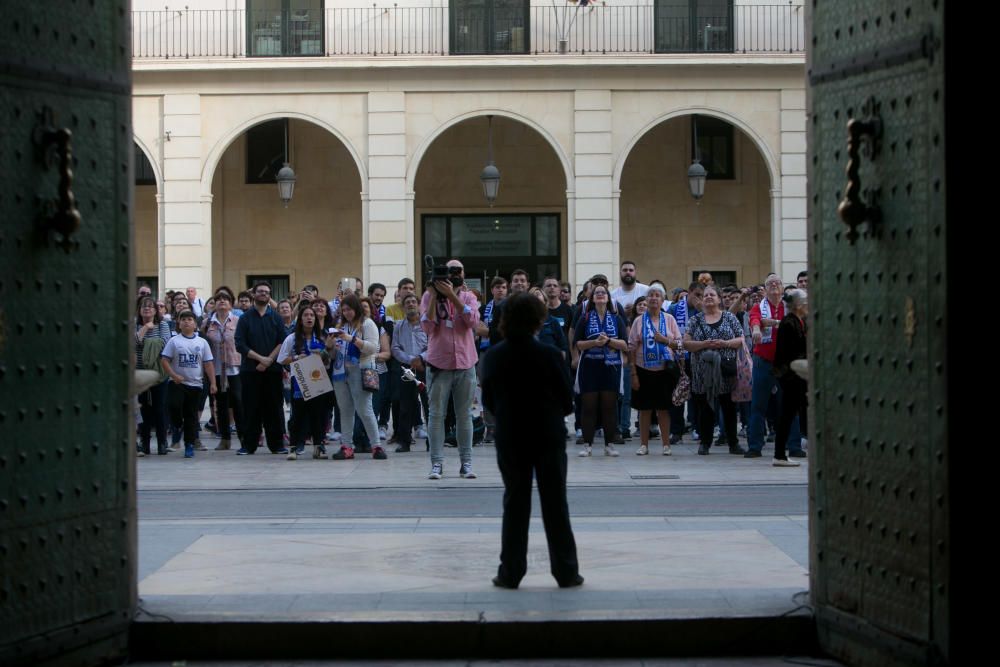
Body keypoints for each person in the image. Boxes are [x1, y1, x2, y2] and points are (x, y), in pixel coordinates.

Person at [481, 292, 583, 590]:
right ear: (540, 320)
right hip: (548, 434)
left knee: (515, 502)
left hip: (511, 435)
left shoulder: (495, 357)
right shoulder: (550, 355)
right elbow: (567, 401)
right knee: (555, 503)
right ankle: (566, 571)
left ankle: (510, 572)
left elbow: (488, 400)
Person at [420, 258, 481, 480]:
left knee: (464, 415)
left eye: (458, 271)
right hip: (439, 364)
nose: (454, 275)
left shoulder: (468, 297)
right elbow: (426, 327)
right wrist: (436, 295)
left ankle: (466, 463)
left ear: (464, 274)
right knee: (436, 415)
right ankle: (436, 463)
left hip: (465, 363)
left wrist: (453, 297)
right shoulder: (429, 296)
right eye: (450, 271)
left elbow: (473, 321)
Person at [682, 285, 747, 456]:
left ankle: (733, 443)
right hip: (702, 374)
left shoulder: (729, 318)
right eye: (706, 295)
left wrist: (725, 343)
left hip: (726, 371)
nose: (709, 297)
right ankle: (705, 442)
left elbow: (741, 339)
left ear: (719, 299)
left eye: (712, 295)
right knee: (705, 409)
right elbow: (686, 343)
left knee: (729, 408)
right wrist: (704, 344)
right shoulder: (695, 320)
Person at [746, 274, 804, 458]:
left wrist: (776, 323)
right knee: (758, 405)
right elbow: (754, 321)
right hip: (763, 361)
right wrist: (757, 329)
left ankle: (794, 445)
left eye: (777, 283)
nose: (774, 285)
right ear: (765, 289)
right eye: (770, 283)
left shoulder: (791, 308)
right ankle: (755, 446)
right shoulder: (759, 307)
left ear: (782, 287)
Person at [328, 293, 386, 460]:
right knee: (345, 410)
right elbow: (333, 354)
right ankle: (346, 446)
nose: (346, 313)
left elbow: (372, 348)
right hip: (341, 372)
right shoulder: (340, 326)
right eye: (343, 309)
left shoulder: (368, 324)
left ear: (357, 309)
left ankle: (376, 446)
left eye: (349, 309)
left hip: (361, 369)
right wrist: (330, 346)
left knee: (364, 409)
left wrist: (352, 339)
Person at [573, 285, 629, 457]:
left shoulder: (617, 318)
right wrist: (595, 343)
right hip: (589, 367)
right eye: (597, 293)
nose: (600, 295)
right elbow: (578, 344)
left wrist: (609, 341)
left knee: (609, 407)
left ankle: (609, 445)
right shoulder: (585, 317)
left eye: (603, 292)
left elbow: (625, 345)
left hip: (610, 367)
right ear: (592, 298)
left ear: (608, 298)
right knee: (588, 407)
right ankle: (588, 445)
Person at [234, 281, 288, 455]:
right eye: (260, 291)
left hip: (272, 371)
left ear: (270, 295)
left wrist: (269, 360)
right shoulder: (245, 318)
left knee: (274, 408)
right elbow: (240, 344)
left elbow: (282, 341)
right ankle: (248, 445)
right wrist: (260, 359)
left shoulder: (276, 318)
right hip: (250, 370)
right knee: (251, 409)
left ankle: (277, 445)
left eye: (266, 291)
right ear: (254, 295)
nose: (263, 294)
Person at [628, 284, 681, 456]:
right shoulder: (639, 321)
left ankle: (666, 445)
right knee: (644, 409)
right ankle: (644, 445)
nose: (653, 298)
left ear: (662, 300)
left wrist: (665, 340)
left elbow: (679, 344)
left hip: (665, 370)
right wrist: (633, 374)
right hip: (643, 370)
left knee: (663, 408)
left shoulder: (669, 319)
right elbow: (631, 348)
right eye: (650, 295)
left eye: (657, 295)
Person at [277, 303, 332, 461]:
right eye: (306, 315)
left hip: (318, 379)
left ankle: (319, 447)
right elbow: (281, 359)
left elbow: (329, 361)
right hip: (299, 380)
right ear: (300, 319)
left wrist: (323, 352)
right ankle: (293, 447)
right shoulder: (292, 338)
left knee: (319, 415)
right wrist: (296, 358)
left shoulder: (323, 337)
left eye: (312, 315)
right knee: (298, 416)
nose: (309, 318)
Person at [160, 310, 216, 459]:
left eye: (189, 319)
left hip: (196, 384)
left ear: (195, 323)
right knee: (174, 406)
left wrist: (213, 383)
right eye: (183, 319)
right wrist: (173, 375)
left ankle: (189, 444)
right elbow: (164, 360)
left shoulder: (202, 342)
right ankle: (177, 426)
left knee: (191, 416)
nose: (186, 322)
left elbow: (208, 363)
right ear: (179, 323)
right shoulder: (174, 341)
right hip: (177, 383)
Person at [771, 289, 808, 467]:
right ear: (799, 305)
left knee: (790, 414)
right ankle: (779, 455)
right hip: (791, 376)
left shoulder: (798, 321)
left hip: (795, 375)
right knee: (787, 415)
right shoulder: (789, 323)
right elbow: (790, 352)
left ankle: (780, 454)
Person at [203, 291, 243, 451]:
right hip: (216, 369)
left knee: (239, 403)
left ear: (231, 304)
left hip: (235, 369)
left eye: (225, 299)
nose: (221, 302)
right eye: (218, 299)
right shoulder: (207, 323)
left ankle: (243, 436)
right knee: (221, 405)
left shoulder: (238, 321)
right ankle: (225, 438)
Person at [391, 294, 428, 452]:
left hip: (425, 368)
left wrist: (421, 359)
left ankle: (432, 441)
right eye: (407, 303)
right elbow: (395, 348)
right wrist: (411, 360)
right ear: (403, 306)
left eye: (414, 302)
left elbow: (433, 344)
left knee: (429, 405)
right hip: (407, 369)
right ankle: (404, 441)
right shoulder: (399, 325)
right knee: (405, 405)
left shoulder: (427, 324)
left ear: (419, 305)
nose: (411, 304)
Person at [135, 295, 172, 456]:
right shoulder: (135, 325)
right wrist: (145, 328)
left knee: (159, 408)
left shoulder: (162, 324)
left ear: (156, 310)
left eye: (150, 306)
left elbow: (165, 342)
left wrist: (144, 341)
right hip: (139, 372)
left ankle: (162, 442)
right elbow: (132, 342)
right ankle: (145, 442)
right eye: (144, 306)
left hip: (159, 372)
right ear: (139, 310)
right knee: (143, 410)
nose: (147, 308)